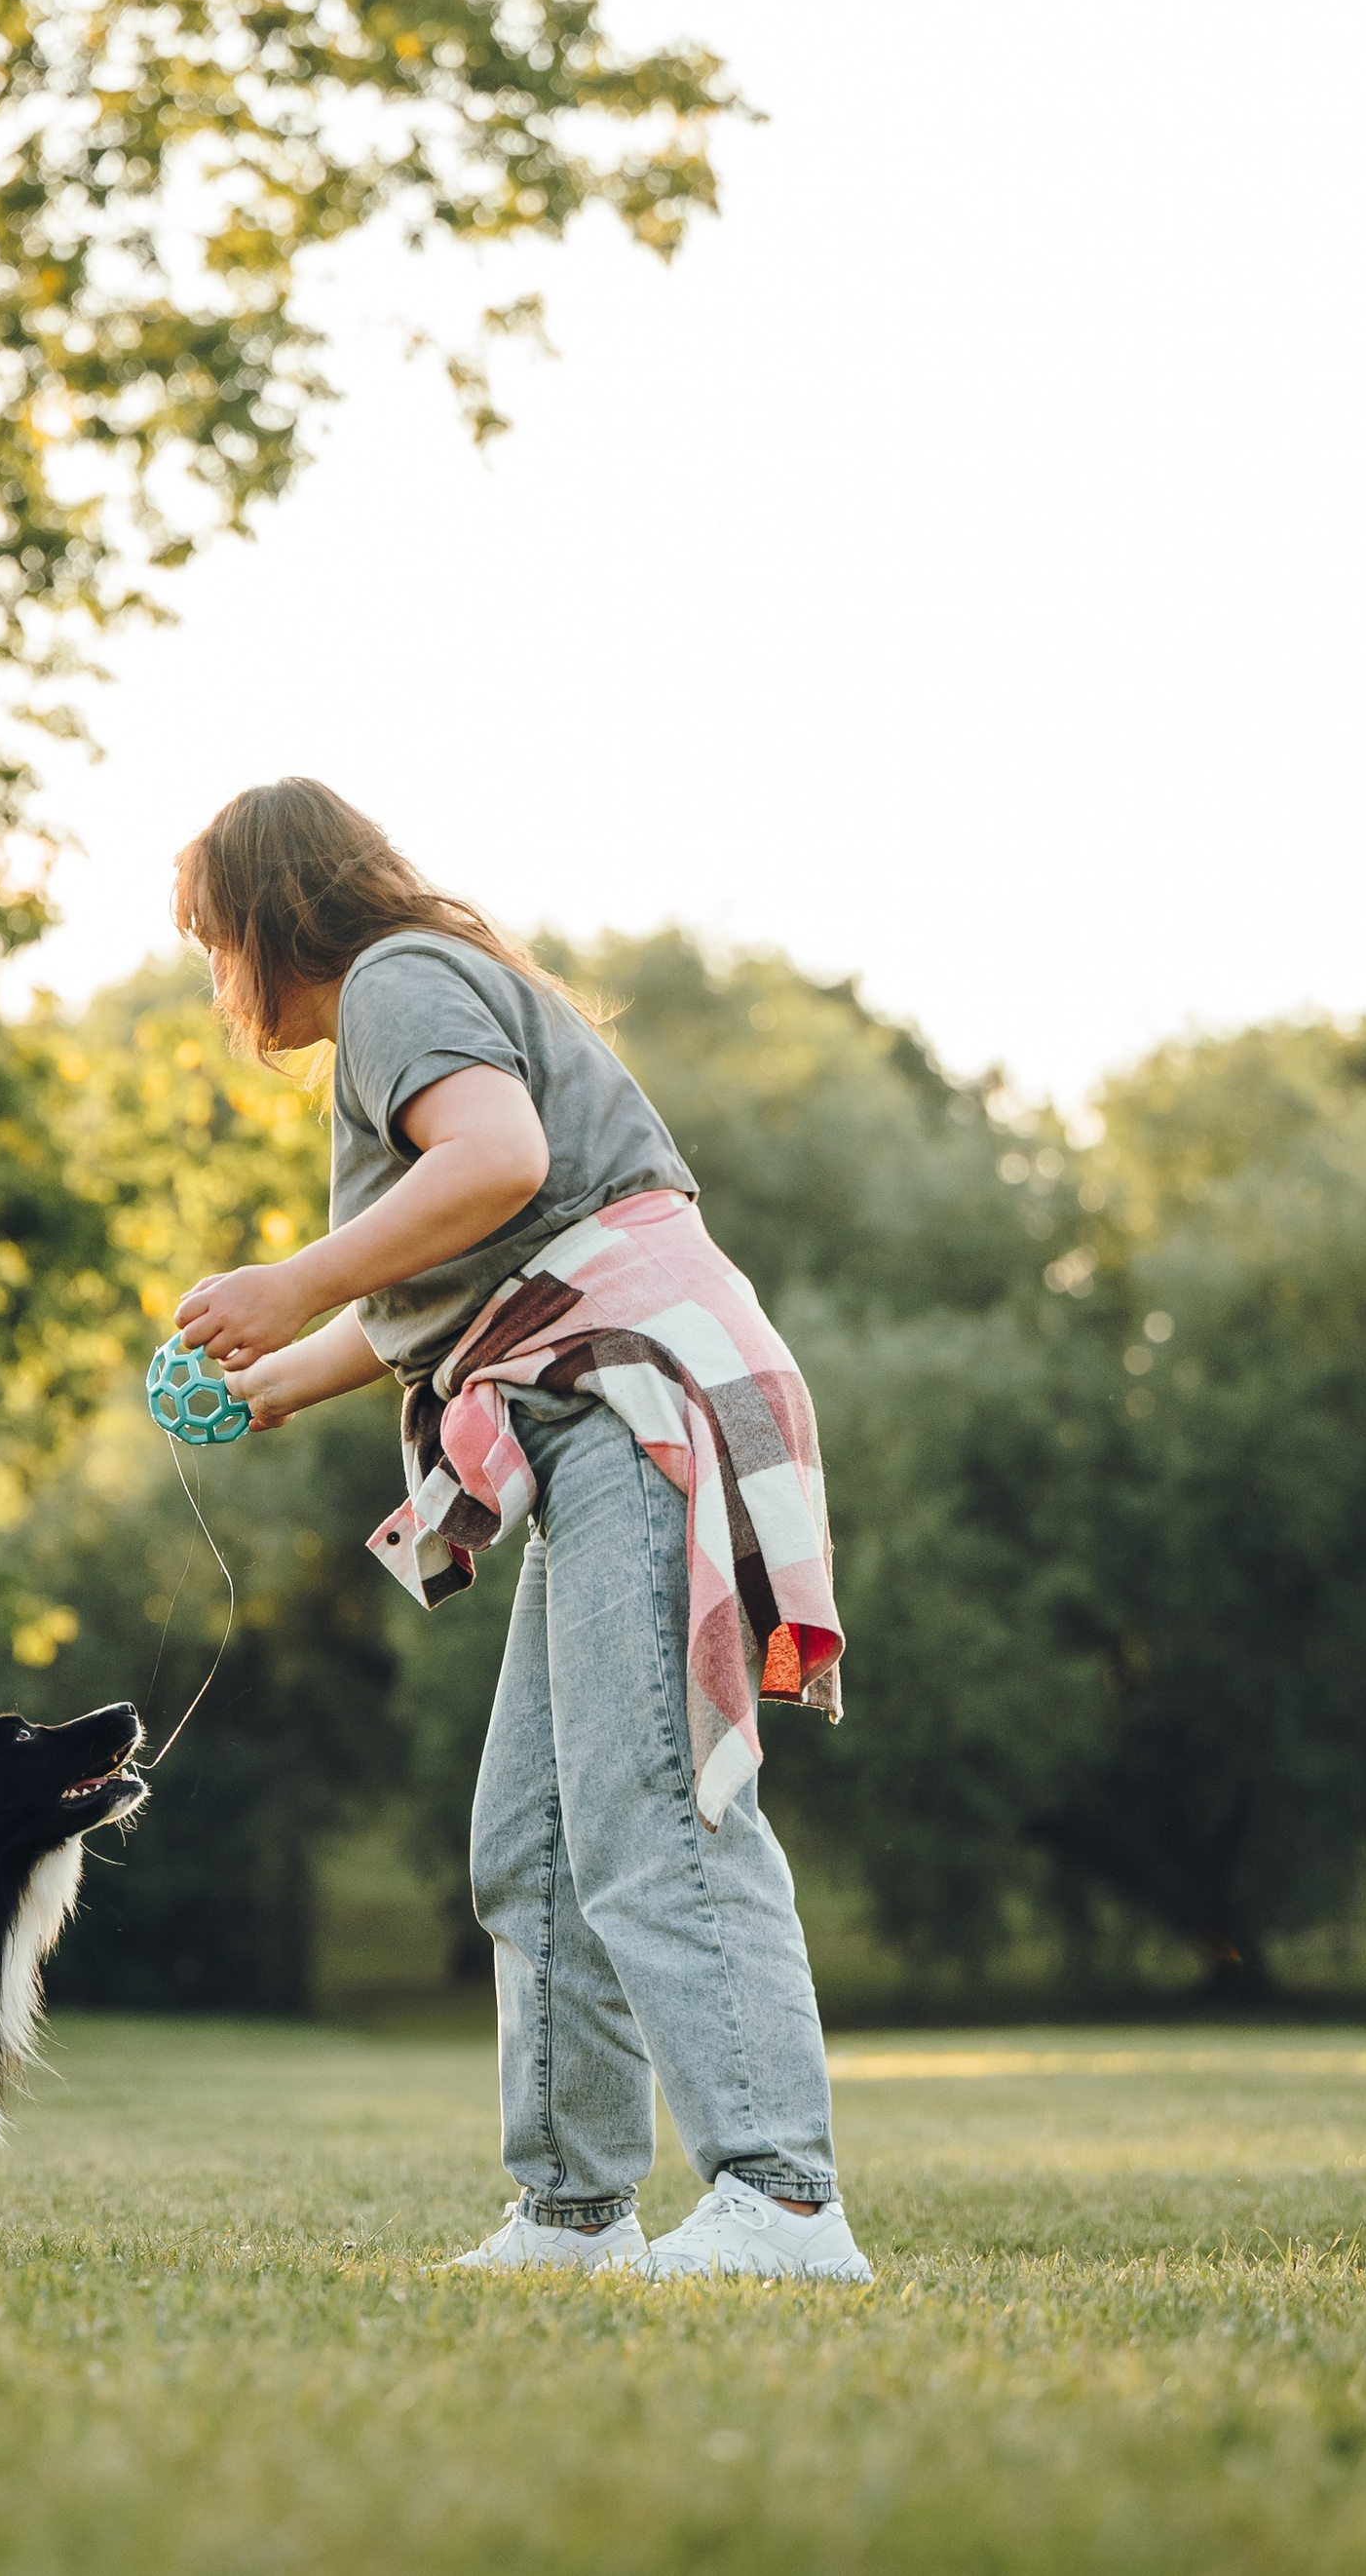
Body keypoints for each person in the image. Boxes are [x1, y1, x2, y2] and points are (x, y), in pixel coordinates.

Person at [171, 778, 871, 2284]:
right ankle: (574, 2211)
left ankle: (785, 2199)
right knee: (536, 1844)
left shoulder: (394, 982)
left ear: (266, 916)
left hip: (636, 1395)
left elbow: (497, 1165)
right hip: (595, 1405)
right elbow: (461, 1266)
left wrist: (285, 1280)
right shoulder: (415, 987)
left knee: (649, 1810)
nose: (217, 986)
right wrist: (276, 1381)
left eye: (211, 944)